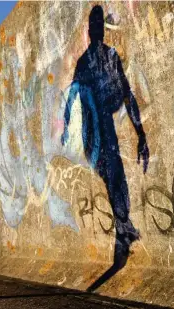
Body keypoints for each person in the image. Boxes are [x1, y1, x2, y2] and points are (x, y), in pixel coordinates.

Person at [61, 5, 149, 250]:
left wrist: (141, 133)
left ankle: (123, 228)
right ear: (90, 30)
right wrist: (67, 127)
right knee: (114, 178)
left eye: (101, 24)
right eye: (95, 25)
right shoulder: (84, 63)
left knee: (116, 179)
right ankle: (123, 229)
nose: (98, 29)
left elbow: (128, 94)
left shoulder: (111, 57)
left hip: (106, 131)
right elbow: (72, 97)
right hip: (94, 134)